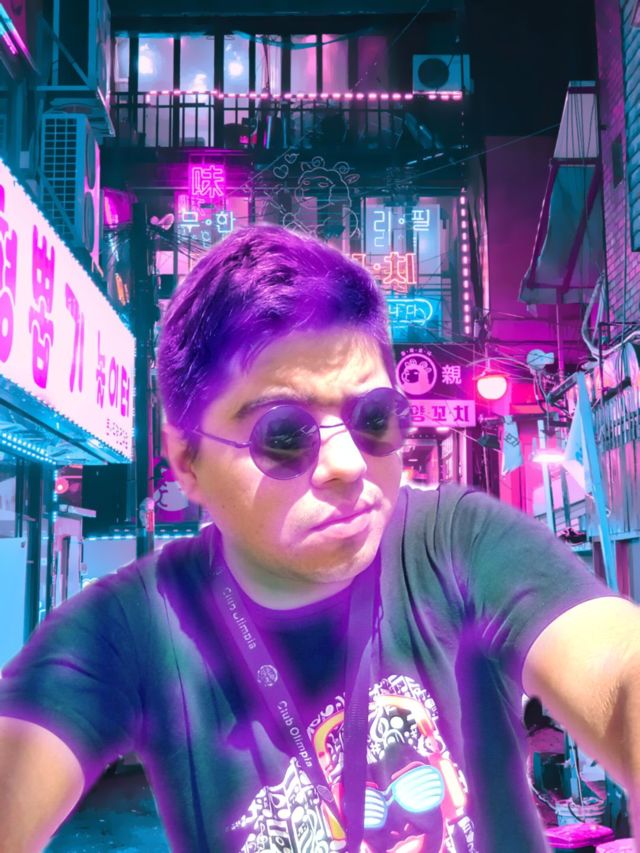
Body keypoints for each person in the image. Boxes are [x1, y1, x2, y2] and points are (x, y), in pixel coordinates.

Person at [0, 225, 638, 853]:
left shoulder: (457, 542)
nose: (349, 465)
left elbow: (616, 670)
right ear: (188, 461)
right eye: (283, 434)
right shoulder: (135, 624)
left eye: (374, 418)